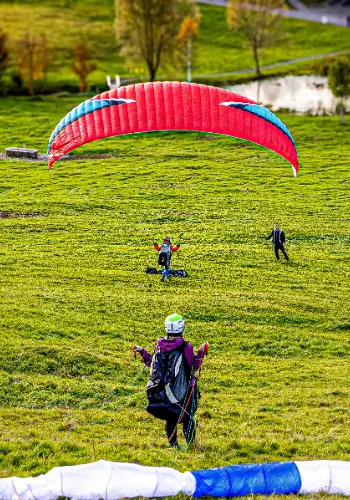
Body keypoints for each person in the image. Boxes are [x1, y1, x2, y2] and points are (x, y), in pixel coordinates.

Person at [132, 313, 208, 448]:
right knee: (187, 418)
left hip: (163, 392)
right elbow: (193, 368)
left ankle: (173, 445)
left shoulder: (160, 345)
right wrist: (201, 352)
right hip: (182, 391)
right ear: (182, 328)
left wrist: (142, 351)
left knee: (171, 417)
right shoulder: (186, 347)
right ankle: (191, 446)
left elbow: (152, 363)